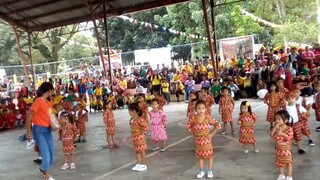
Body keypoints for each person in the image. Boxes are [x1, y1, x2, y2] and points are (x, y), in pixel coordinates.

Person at [26, 82, 55, 180]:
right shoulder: (38, 101)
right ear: (49, 90)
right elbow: (29, 116)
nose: (53, 92)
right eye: (52, 90)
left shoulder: (48, 102)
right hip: (39, 130)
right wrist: (28, 132)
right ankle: (47, 176)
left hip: (47, 130)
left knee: (51, 155)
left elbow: (51, 116)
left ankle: (44, 169)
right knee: (45, 154)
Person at [186, 100, 221, 179]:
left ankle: (210, 171)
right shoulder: (193, 118)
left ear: (205, 109)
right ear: (195, 109)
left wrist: (212, 134)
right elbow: (188, 126)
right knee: (200, 156)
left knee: (209, 156)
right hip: (198, 142)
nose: (201, 110)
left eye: (202, 108)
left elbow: (217, 124)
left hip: (207, 141)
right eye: (199, 108)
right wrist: (194, 134)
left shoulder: (208, 117)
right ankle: (201, 171)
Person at [270, 110, 294, 180]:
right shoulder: (276, 128)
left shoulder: (289, 129)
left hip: (286, 150)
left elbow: (289, 138)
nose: (277, 121)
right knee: (280, 163)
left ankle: (289, 176)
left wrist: (282, 134)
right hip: (279, 150)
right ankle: (282, 174)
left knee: (289, 163)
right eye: (276, 119)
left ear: (286, 120)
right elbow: (271, 135)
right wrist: (274, 128)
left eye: (279, 119)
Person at [128, 103, 149, 172]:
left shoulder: (140, 119)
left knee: (142, 151)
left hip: (140, 138)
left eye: (129, 111)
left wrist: (141, 132)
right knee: (137, 151)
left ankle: (144, 164)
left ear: (134, 111)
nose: (129, 112)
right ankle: (139, 163)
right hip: (134, 138)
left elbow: (146, 126)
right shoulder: (132, 119)